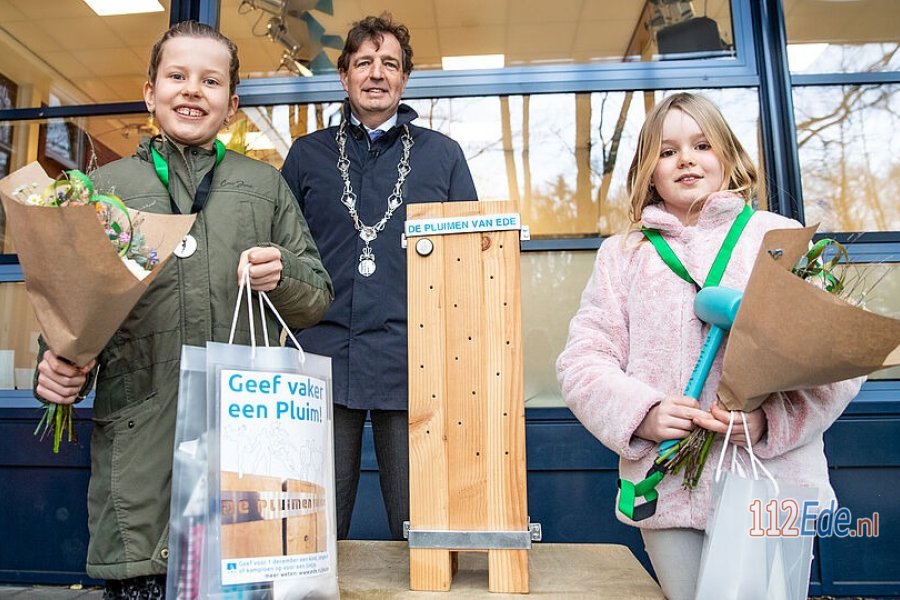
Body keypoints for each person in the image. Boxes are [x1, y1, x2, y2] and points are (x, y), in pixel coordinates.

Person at [33, 20, 333, 599]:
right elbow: (74, 307)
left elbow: (317, 294)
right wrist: (58, 364)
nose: (193, 90)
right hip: (142, 451)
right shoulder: (106, 189)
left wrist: (284, 275)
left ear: (233, 104)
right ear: (150, 92)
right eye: (177, 76)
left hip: (245, 457)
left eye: (211, 80)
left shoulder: (264, 187)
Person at [556, 92, 862, 600]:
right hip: (667, 483)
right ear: (647, 169)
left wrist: (770, 423)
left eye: (701, 144)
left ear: (729, 154)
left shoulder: (779, 238)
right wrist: (643, 413)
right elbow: (584, 359)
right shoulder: (623, 255)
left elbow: (838, 360)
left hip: (772, 476)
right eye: (668, 150)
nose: (687, 160)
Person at [281, 13, 478, 541]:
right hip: (319, 361)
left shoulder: (444, 156)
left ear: (404, 78)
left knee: (422, 526)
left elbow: (469, 265)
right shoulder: (306, 156)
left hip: (411, 362)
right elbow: (281, 255)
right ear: (344, 76)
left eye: (389, 63)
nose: (376, 74)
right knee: (312, 526)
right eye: (363, 62)